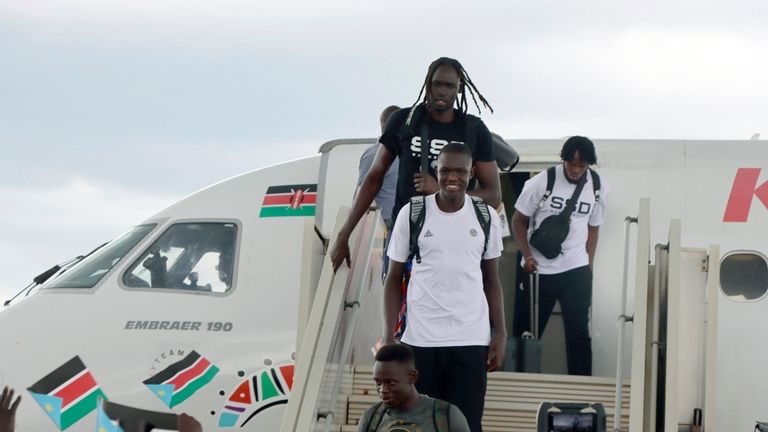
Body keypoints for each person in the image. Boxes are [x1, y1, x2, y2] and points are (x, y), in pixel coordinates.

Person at [331, 57, 501, 271]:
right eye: (436, 84)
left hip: (456, 237)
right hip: (408, 234)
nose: (441, 91)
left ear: (459, 89)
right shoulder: (404, 121)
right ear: (427, 84)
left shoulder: (474, 129)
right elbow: (374, 177)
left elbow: (494, 196)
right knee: (400, 299)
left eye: (449, 86)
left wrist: (438, 190)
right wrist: (344, 233)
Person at [383, 143, 506, 432]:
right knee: (420, 426)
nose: (453, 177)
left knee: (466, 425)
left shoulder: (486, 216)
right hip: (421, 340)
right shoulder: (412, 214)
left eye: (461, 171)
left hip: (471, 340)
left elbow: (492, 279)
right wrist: (389, 336)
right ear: (436, 171)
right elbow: (393, 279)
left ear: (472, 173)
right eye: (446, 170)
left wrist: (499, 332)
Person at [511, 136, 608, 376]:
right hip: (538, 268)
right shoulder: (542, 182)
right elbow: (518, 221)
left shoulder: (598, 186)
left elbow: (594, 228)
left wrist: (588, 265)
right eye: (571, 164)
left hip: (576, 268)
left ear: (589, 164)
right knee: (527, 331)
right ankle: (522, 382)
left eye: (581, 165)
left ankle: (582, 386)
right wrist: (527, 256)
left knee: (578, 332)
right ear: (563, 160)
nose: (575, 170)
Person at [357, 343, 470, 432]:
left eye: (391, 383)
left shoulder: (446, 415)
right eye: (378, 383)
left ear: (412, 377)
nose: (383, 390)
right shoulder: (371, 418)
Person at [357, 105, 401, 228]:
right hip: (385, 226)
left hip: (402, 224)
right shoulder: (373, 154)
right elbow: (362, 194)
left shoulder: (403, 153)